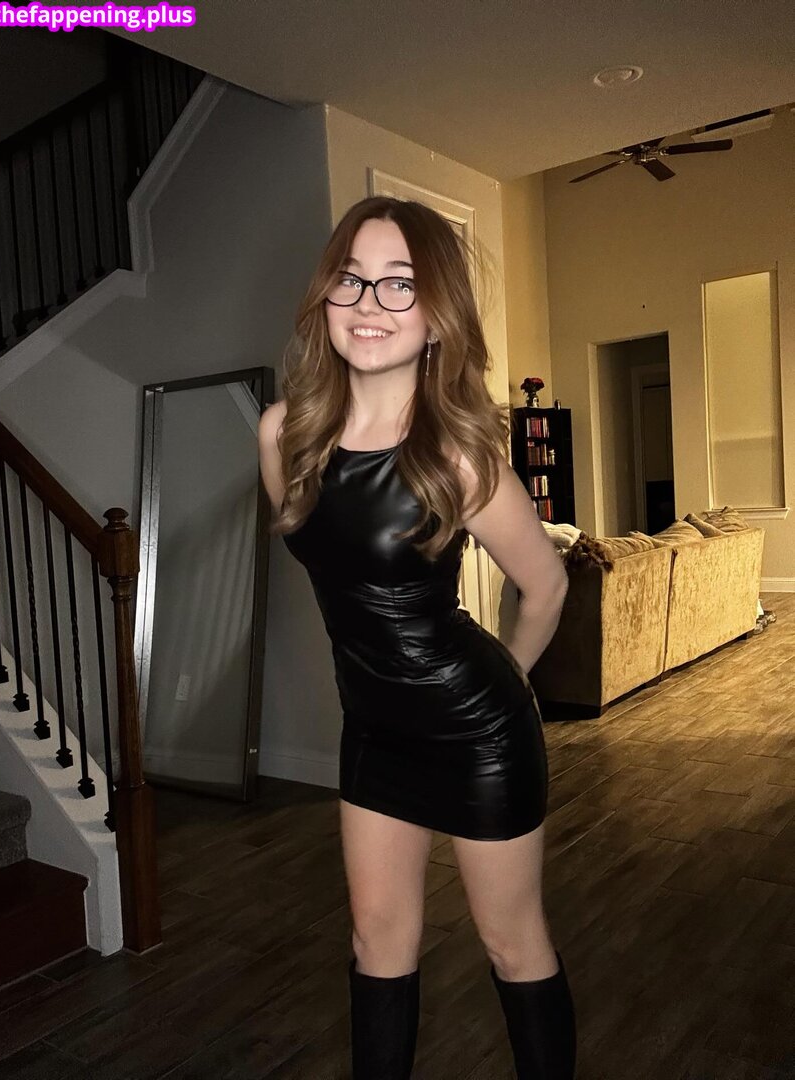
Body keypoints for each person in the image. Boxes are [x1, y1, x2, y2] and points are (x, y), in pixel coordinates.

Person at [258, 196, 576, 1079]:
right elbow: (332, 566)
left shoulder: (458, 457)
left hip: (478, 733)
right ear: (326, 297)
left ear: (437, 318)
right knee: (376, 939)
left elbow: (546, 585)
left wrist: (508, 686)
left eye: (400, 284)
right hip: (372, 729)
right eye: (352, 279)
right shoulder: (283, 435)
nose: (370, 302)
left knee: (511, 943)